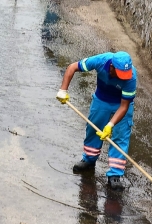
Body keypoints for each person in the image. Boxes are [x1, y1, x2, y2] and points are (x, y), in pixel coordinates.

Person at [56, 50, 137, 190]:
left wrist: (111, 125)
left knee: (120, 135)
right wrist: (63, 90)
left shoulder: (131, 77)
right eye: (120, 74)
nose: (123, 78)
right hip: (101, 99)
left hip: (121, 103)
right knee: (93, 128)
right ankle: (89, 159)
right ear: (111, 67)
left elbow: (124, 106)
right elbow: (72, 67)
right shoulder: (101, 61)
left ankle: (115, 175)